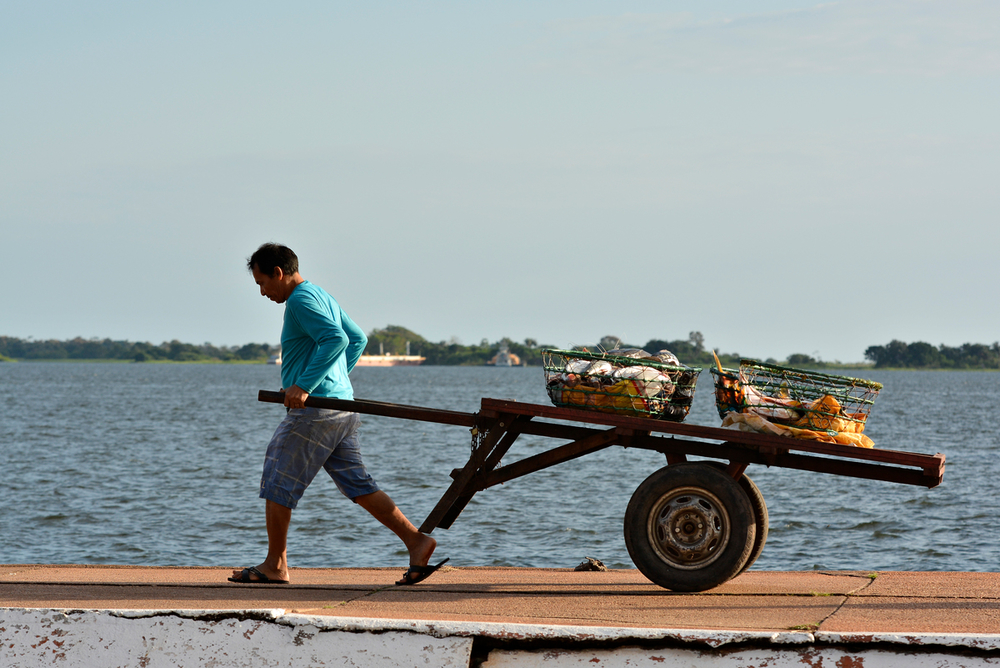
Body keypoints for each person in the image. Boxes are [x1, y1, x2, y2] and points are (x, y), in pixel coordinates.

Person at [230, 242, 446, 586]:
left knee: (277, 477)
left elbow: (336, 340)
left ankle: (275, 564)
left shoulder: (300, 300)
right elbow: (357, 338)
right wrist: (336, 381)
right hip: (341, 408)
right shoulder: (319, 294)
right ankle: (416, 541)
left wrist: (305, 385)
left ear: (278, 273)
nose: (262, 292)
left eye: (262, 283)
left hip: (317, 412)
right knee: (357, 484)